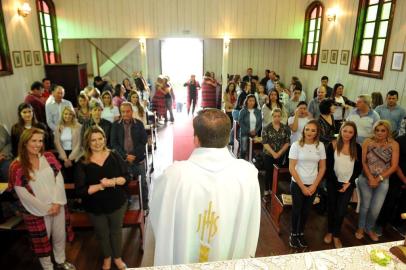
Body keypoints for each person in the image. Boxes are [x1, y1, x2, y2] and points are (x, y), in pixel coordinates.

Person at [142, 109, 260, 266]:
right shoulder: (248, 174)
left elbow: (158, 217)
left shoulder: (173, 177)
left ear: (195, 139)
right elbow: (251, 226)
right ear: (227, 138)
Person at [8, 128, 75, 270]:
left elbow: (59, 179)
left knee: (59, 236)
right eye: (34, 141)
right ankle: (47, 267)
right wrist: (45, 208)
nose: (38, 144)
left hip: (58, 204)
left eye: (40, 141)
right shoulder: (16, 166)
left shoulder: (49, 157)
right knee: (42, 241)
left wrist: (57, 203)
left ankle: (61, 261)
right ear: (24, 142)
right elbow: (22, 193)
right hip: (36, 210)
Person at [75, 126, 129, 270]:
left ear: (105, 139)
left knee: (116, 231)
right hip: (95, 206)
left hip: (116, 202)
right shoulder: (82, 162)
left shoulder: (115, 155)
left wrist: (113, 181)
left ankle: (117, 257)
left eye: (100, 138)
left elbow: (127, 177)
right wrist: (101, 186)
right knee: (102, 233)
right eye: (93, 140)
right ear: (88, 142)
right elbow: (80, 190)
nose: (97, 143)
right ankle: (107, 257)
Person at [355, 120, 399, 241]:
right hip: (365, 177)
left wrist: (379, 178)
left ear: (388, 131)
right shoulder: (368, 141)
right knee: (365, 205)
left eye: (383, 130)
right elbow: (363, 161)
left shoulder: (394, 144)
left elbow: (394, 166)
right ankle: (360, 228)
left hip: (383, 180)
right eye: (377, 130)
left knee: (376, 208)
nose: (379, 133)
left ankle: (369, 228)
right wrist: (370, 177)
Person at [288, 120, 326, 248]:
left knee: (306, 211)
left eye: (313, 130)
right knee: (297, 210)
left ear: (317, 133)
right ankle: (293, 234)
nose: (309, 132)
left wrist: (314, 185)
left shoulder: (320, 146)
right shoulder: (296, 145)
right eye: (307, 129)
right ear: (303, 130)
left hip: (313, 184)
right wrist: (303, 187)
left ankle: (300, 233)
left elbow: (322, 168)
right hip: (298, 183)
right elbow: (292, 168)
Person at [324, 121, 362, 248]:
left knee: (341, 211)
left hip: (348, 184)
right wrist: (337, 184)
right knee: (331, 208)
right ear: (341, 131)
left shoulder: (357, 148)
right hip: (332, 182)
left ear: (354, 134)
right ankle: (329, 231)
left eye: (350, 132)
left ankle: (336, 235)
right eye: (345, 131)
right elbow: (328, 168)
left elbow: (358, 168)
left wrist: (349, 183)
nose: (347, 134)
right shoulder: (333, 145)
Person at [110, 102, 148, 211]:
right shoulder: (116, 125)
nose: (125, 114)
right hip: (122, 161)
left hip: (138, 159)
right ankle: (127, 201)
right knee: (124, 183)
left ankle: (145, 205)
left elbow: (143, 141)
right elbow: (114, 143)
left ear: (132, 111)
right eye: (123, 112)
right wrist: (125, 156)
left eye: (128, 111)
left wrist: (133, 155)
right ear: (120, 112)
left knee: (143, 183)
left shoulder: (139, 124)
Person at [261, 108, 290, 197]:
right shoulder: (266, 128)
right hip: (269, 154)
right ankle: (266, 188)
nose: (277, 118)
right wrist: (273, 153)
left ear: (281, 117)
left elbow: (287, 142)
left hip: (280, 154)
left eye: (278, 116)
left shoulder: (285, 128)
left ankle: (274, 189)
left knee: (276, 172)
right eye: (275, 116)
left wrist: (280, 153)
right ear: (272, 117)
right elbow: (265, 143)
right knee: (268, 171)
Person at [54, 106, 82, 182]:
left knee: (76, 178)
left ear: (73, 115)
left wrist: (70, 158)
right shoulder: (58, 127)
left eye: (70, 114)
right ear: (62, 115)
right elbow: (57, 143)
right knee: (65, 179)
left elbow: (79, 144)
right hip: (63, 155)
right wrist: (65, 159)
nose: (68, 116)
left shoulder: (78, 126)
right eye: (66, 114)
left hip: (75, 155)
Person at [238, 95, 262, 159]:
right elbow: (241, 123)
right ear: (247, 101)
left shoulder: (258, 111)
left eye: (253, 101)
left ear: (255, 102)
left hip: (254, 133)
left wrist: (256, 131)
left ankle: (251, 163)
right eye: (250, 101)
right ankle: (241, 162)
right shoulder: (243, 111)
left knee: (252, 150)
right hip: (244, 133)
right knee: (243, 149)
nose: (251, 102)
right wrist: (248, 131)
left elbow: (260, 123)